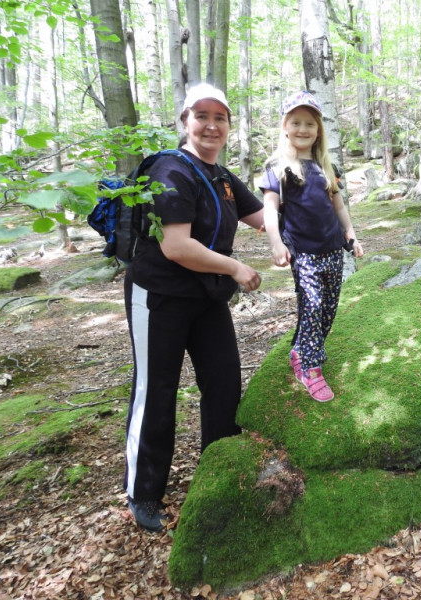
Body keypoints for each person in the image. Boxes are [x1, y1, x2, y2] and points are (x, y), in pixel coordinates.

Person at [123, 83, 265, 532]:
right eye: (201, 116)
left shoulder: (222, 178)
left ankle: (218, 472)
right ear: (185, 121)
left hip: (206, 297)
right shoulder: (171, 170)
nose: (211, 125)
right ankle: (144, 493)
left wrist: (322, 214)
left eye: (220, 117)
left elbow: (264, 218)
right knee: (157, 390)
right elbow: (177, 247)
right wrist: (236, 268)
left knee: (223, 382)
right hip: (160, 296)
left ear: (228, 126)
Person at [259, 90, 363, 403]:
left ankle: (300, 350)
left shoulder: (325, 167)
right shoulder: (278, 168)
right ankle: (310, 367)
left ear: (318, 129)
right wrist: (276, 243)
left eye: (310, 123)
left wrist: (351, 234)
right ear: (285, 127)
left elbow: (338, 205)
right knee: (313, 307)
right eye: (296, 122)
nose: (303, 129)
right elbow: (269, 210)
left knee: (328, 310)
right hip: (303, 254)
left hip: (332, 249)